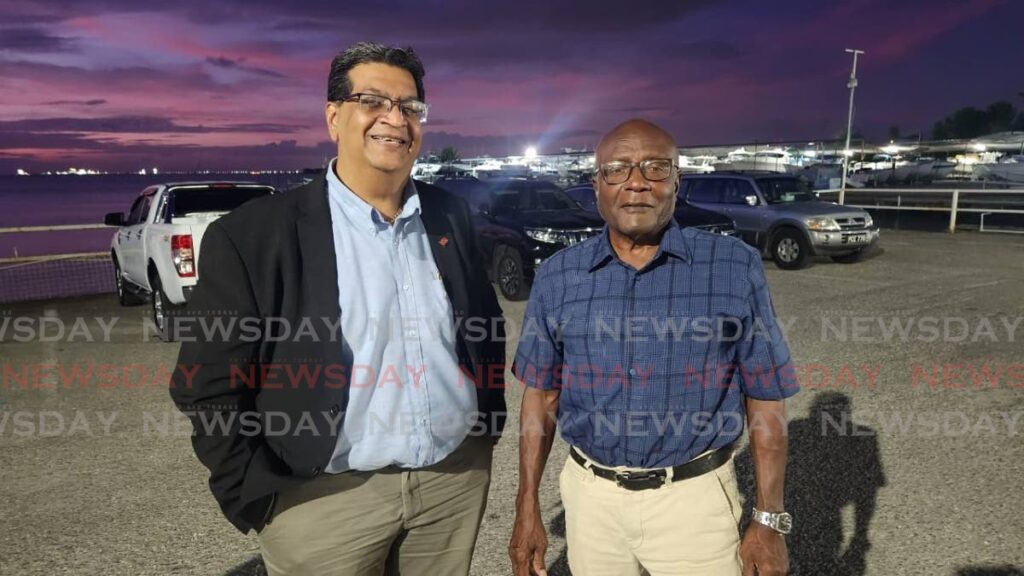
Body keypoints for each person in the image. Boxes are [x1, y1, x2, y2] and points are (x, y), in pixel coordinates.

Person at [170, 42, 507, 576]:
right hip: (321, 500)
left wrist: (482, 432)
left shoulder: (451, 217)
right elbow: (205, 382)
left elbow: (482, 331)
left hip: (452, 483)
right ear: (334, 117)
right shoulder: (255, 235)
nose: (395, 118)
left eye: (410, 106)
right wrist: (257, 496)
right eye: (372, 100)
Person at [509, 119, 799, 576]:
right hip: (591, 500)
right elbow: (540, 397)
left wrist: (769, 520)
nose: (637, 182)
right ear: (597, 185)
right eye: (618, 169)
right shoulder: (558, 275)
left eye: (655, 168)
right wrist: (526, 507)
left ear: (677, 181)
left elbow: (765, 394)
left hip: (695, 503)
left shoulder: (732, 266)